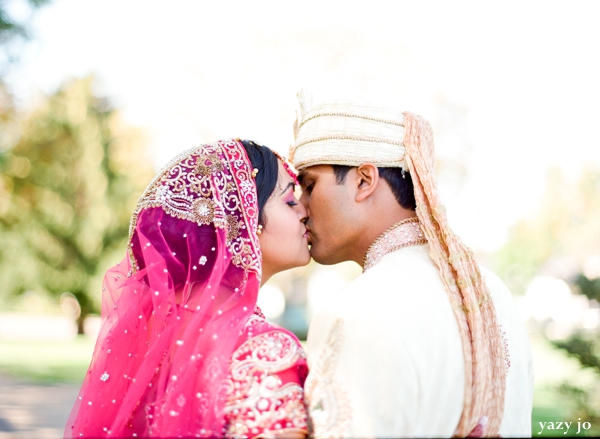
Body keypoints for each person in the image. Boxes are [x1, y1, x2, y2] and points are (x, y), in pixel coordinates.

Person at [290, 91, 534, 438]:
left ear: (364, 180)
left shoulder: (359, 308)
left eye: (309, 185)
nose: (301, 207)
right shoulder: (492, 290)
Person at [65, 139, 311, 438]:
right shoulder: (265, 349)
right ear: (240, 221)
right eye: (289, 201)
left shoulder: (147, 329)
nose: (305, 212)